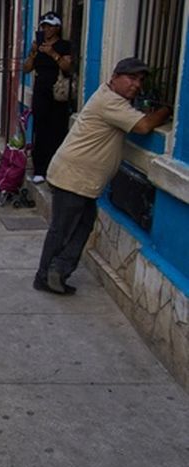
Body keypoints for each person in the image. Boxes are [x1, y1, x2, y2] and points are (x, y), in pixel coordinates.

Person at [34, 57, 170, 294]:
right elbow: (144, 126)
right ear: (115, 77)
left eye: (140, 80)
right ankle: (45, 276)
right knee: (63, 228)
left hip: (82, 179)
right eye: (131, 78)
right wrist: (167, 110)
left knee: (84, 224)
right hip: (73, 176)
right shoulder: (110, 102)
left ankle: (58, 270)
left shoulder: (114, 99)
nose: (136, 85)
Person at [23, 11, 73, 184]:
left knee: (57, 130)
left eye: (50, 26)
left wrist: (53, 53)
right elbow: (26, 68)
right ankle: (40, 169)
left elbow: (67, 67)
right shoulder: (37, 45)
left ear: (57, 28)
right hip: (41, 92)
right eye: (44, 26)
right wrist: (33, 53)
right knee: (40, 129)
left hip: (58, 94)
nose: (46, 29)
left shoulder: (63, 46)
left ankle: (54, 168)